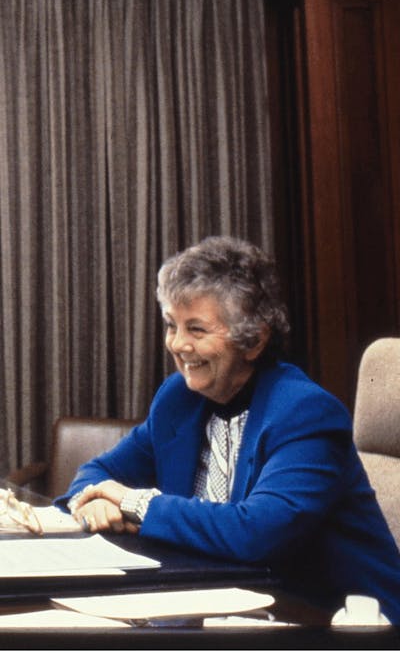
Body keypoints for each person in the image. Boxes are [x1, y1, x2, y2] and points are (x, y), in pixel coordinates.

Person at [56, 236, 400, 623]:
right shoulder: (178, 399)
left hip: (337, 624)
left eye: (197, 330)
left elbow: (257, 532)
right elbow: (97, 474)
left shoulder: (306, 413)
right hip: (217, 607)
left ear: (253, 340)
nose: (178, 344)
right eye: (171, 325)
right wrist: (98, 502)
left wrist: (134, 504)